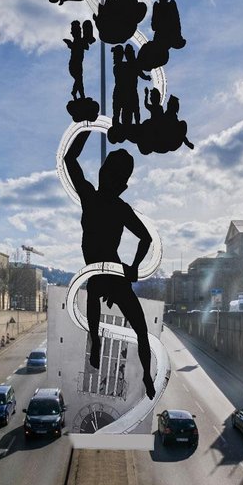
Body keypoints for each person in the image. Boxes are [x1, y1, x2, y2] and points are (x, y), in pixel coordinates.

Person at [63, 128, 156, 399]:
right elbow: (70, 160)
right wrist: (86, 128)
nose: (113, 183)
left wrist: (133, 268)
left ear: (120, 184)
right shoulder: (99, 201)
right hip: (103, 272)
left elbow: (146, 239)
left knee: (140, 328)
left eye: (117, 180)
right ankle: (96, 342)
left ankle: (143, 373)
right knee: (134, 325)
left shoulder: (104, 203)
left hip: (109, 272)